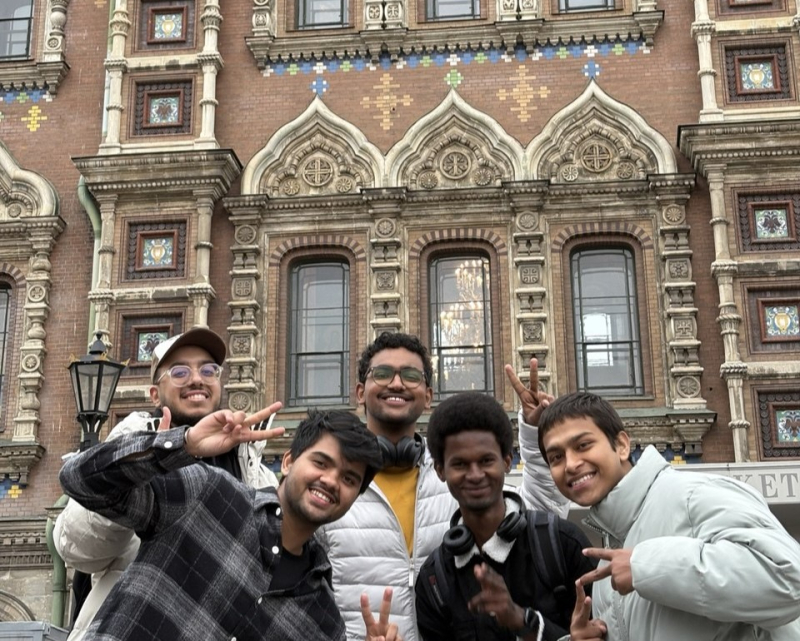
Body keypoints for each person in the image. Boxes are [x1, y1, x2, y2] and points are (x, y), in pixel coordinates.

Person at [316, 332, 569, 641]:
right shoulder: (328, 485)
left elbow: (542, 512)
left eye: (411, 376)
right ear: (360, 392)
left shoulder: (457, 476)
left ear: (428, 395)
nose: (396, 384)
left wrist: (532, 432)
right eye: (382, 374)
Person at [59, 404, 387, 641]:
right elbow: (81, 481)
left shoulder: (322, 619)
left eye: (348, 478)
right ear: (287, 462)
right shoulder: (207, 494)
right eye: (321, 462)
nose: (331, 481)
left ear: (355, 496)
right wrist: (181, 444)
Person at [54, 327, 279, 640]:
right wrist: (152, 460)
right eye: (180, 371)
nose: (197, 378)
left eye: (208, 369)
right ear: (155, 394)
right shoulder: (132, 445)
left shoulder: (256, 472)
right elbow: (79, 549)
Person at [538, 392, 800, 641]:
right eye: (556, 457)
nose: (570, 464)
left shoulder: (692, 495)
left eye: (583, 445)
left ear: (621, 445)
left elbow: (788, 579)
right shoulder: (607, 571)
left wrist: (645, 567)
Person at [415, 392, 596, 641]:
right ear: (440, 470)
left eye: (486, 460)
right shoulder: (434, 579)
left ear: (507, 461)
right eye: (460, 464)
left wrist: (524, 621)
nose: (475, 474)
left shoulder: (563, 544)